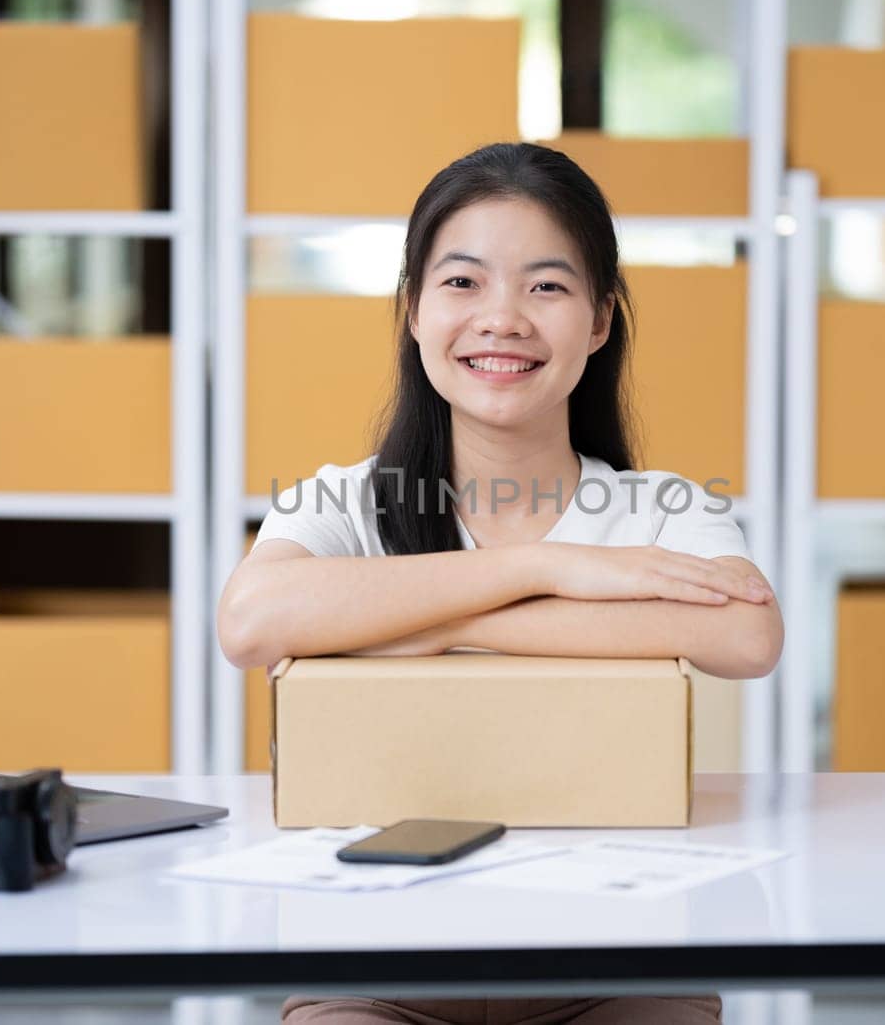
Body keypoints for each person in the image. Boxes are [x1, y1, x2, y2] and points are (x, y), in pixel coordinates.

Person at [218, 142, 783, 1025]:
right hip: (374, 962)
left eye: (547, 286)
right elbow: (250, 622)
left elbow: (749, 634)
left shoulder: (663, 507)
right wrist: (544, 567)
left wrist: (435, 628)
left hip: (620, 959)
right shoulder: (341, 498)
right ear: (412, 310)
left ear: (600, 319)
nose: (503, 319)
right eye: (463, 283)